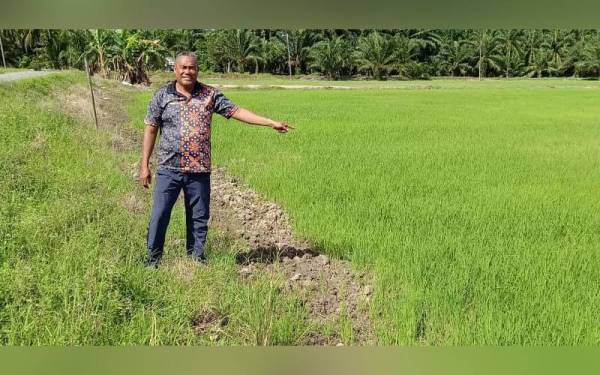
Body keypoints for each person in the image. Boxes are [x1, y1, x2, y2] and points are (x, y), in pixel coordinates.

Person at [140, 51, 293, 268]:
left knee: (199, 218)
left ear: (197, 70)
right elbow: (151, 129)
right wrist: (144, 165)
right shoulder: (162, 96)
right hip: (168, 169)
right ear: (175, 70)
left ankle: (196, 260)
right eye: (183, 67)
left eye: (191, 67)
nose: (187, 71)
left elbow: (237, 111)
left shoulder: (210, 95)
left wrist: (270, 122)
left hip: (199, 171)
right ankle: (152, 261)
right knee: (159, 215)